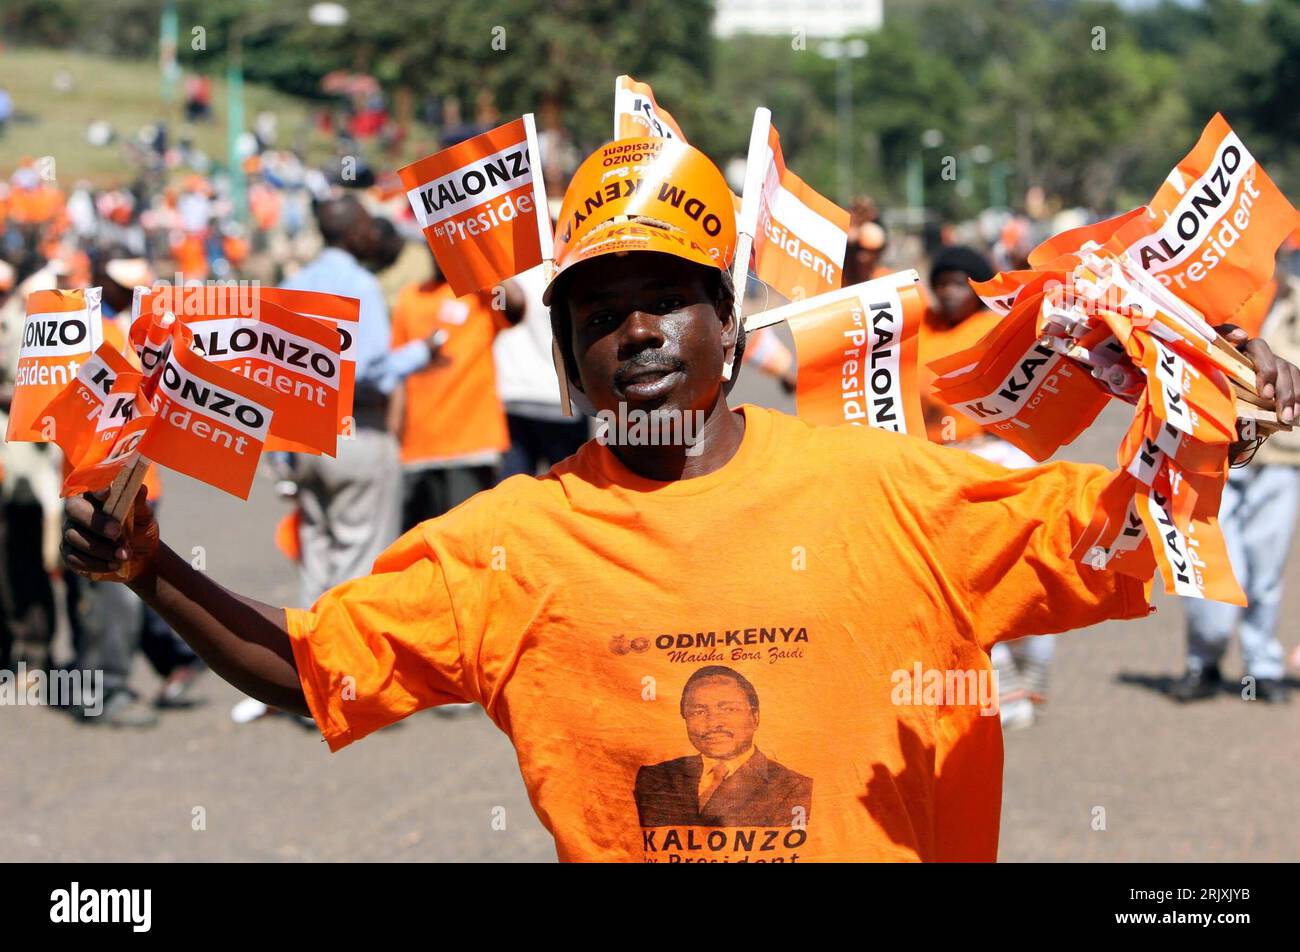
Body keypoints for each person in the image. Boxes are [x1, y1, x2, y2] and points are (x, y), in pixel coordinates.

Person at [61, 137, 1300, 862]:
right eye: (599, 314)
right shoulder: (507, 546)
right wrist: (151, 569)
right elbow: (314, 668)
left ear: (732, 329)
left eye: (666, 298)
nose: (635, 330)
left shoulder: (892, 490)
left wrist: (1212, 406)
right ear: (565, 363)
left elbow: (1119, 532)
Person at [1171, 265, 1300, 704]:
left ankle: (1261, 667)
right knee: (1213, 567)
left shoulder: (1294, 305)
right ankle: (1202, 661)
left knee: (1265, 573)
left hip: (1281, 459)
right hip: (1213, 455)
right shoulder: (1209, 301)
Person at [388, 246, 522, 528]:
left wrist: (479, 260)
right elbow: (397, 375)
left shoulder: (480, 295)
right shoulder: (410, 297)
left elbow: (517, 306)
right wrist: (394, 439)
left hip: (471, 447)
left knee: (468, 541)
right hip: (418, 450)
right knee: (421, 550)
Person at [634, 665, 813, 828]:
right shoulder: (653, 778)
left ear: (755, 717)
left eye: (729, 709)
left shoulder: (794, 788)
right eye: (699, 712)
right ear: (686, 719)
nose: (714, 723)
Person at [493, 264, 589, 480]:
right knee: (572, 485)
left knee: (514, 488)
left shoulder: (506, 273)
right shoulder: (567, 268)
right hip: (557, 399)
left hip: (517, 393)